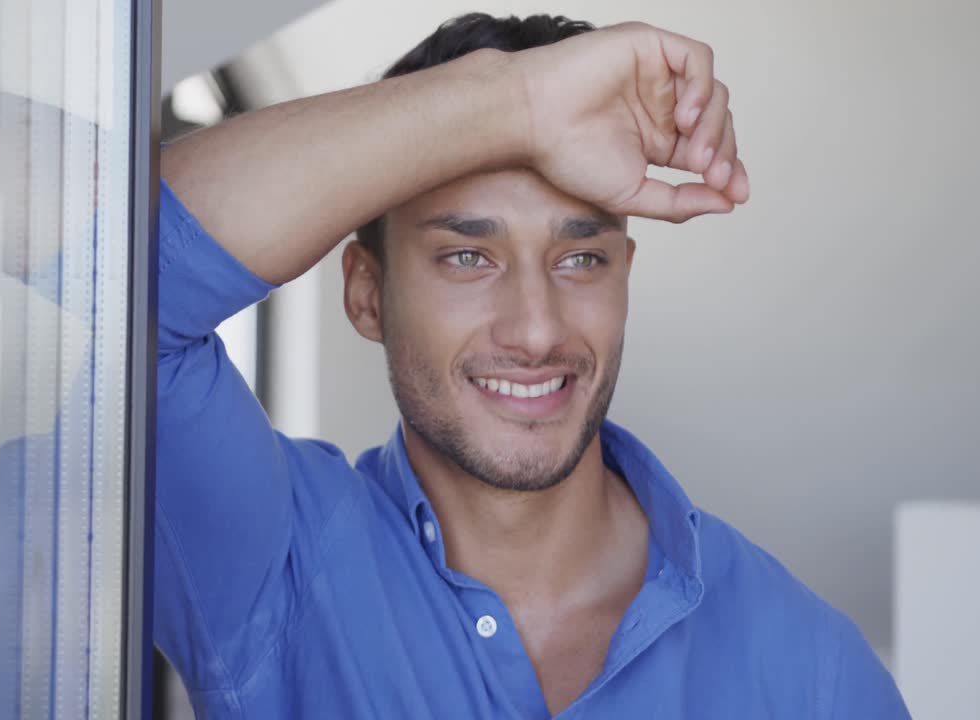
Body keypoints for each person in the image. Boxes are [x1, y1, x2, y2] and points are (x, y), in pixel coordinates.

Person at [154, 12, 910, 719]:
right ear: (367, 294)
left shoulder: (815, 675)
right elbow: (126, 273)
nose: (538, 330)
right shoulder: (269, 569)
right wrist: (515, 103)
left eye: (580, 258)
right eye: (468, 257)